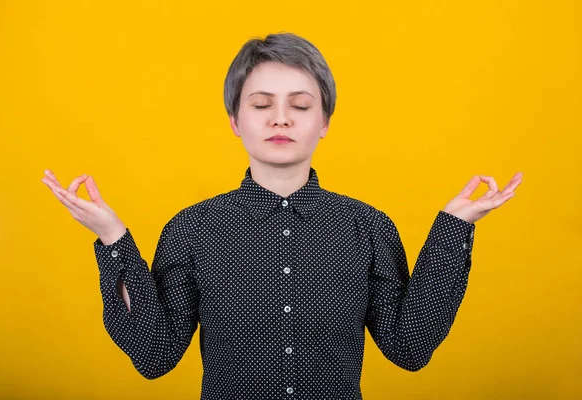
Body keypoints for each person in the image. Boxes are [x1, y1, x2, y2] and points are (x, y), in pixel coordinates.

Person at [42, 32, 522, 400]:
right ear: (235, 120)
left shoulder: (369, 227)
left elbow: (409, 348)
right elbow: (154, 356)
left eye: (300, 105)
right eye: (261, 104)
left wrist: (454, 229)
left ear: (324, 122)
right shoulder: (192, 228)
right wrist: (112, 239)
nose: (281, 118)